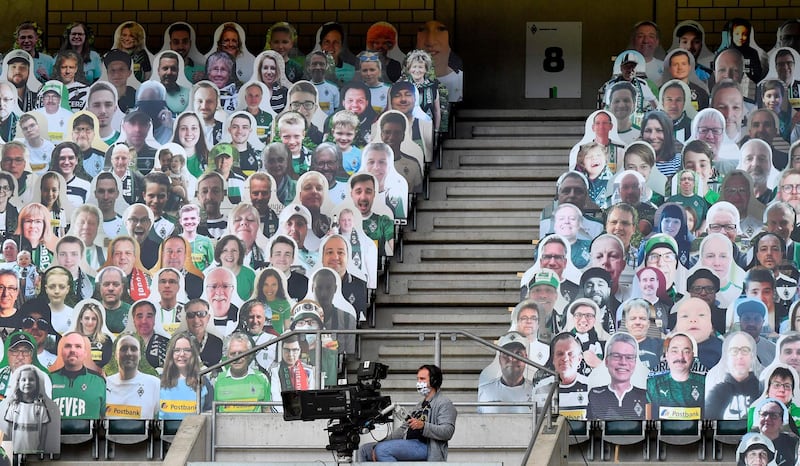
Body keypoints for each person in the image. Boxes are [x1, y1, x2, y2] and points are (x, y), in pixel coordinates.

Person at [358, 364, 456, 462]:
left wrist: (423, 426)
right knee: (365, 450)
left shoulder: (444, 403)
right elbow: (403, 429)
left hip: (427, 447)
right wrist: (382, 443)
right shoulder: (419, 405)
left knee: (382, 450)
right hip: (408, 443)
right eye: (418, 379)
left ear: (434, 381)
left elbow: (448, 431)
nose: (419, 382)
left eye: (422, 379)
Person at [0, 364, 60, 454]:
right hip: (16, 449)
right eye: (23, 380)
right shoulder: (13, 406)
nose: (27, 382)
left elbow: (44, 429)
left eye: (31, 379)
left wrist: (42, 446)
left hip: (34, 449)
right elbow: (9, 428)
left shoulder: (40, 407)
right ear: (18, 383)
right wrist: (8, 446)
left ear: (37, 383)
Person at [586, 332, 646, 420]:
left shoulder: (646, 397)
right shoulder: (594, 395)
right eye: (616, 356)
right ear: (606, 361)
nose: (623, 362)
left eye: (629, 357)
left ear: (635, 362)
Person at [646, 332, 705, 419]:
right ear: (667, 355)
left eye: (686, 351)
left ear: (692, 356)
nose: (680, 357)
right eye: (674, 351)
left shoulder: (705, 383)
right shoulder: (652, 384)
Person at [705, 331, 761, 420]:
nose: (739, 356)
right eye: (734, 351)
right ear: (726, 357)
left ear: (752, 356)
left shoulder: (762, 389)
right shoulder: (717, 392)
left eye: (745, 350)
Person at [49, 332, 106, 419]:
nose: (72, 350)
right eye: (68, 346)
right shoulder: (49, 380)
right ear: (61, 352)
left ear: (85, 353)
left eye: (78, 346)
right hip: (56, 433)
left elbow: (107, 418)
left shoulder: (99, 382)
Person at [104, 333, 160, 419]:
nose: (129, 353)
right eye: (123, 349)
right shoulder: (104, 384)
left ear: (140, 355)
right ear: (115, 355)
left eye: (134, 349)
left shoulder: (154, 384)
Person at [159, 332, 213, 420]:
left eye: (187, 350)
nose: (182, 354)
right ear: (171, 355)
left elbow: (209, 415)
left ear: (193, 354)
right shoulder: (159, 382)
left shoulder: (203, 382)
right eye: (177, 350)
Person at [213, 332, 271, 413]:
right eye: (233, 354)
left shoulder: (262, 379)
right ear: (227, 356)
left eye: (241, 353)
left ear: (249, 355)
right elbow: (214, 412)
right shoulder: (218, 381)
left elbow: (267, 411)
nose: (237, 358)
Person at [477, 331, 534, 414]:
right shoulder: (485, 390)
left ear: (526, 358)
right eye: (506, 354)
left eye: (518, 353)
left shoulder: (535, 391)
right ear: (499, 359)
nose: (512, 359)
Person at [268, 333, 314, 412]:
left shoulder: (308, 370)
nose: (290, 354)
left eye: (295, 350)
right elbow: (275, 398)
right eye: (287, 350)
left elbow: (311, 396)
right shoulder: (274, 370)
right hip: (282, 415)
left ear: (300, 350)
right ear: (281, 350)